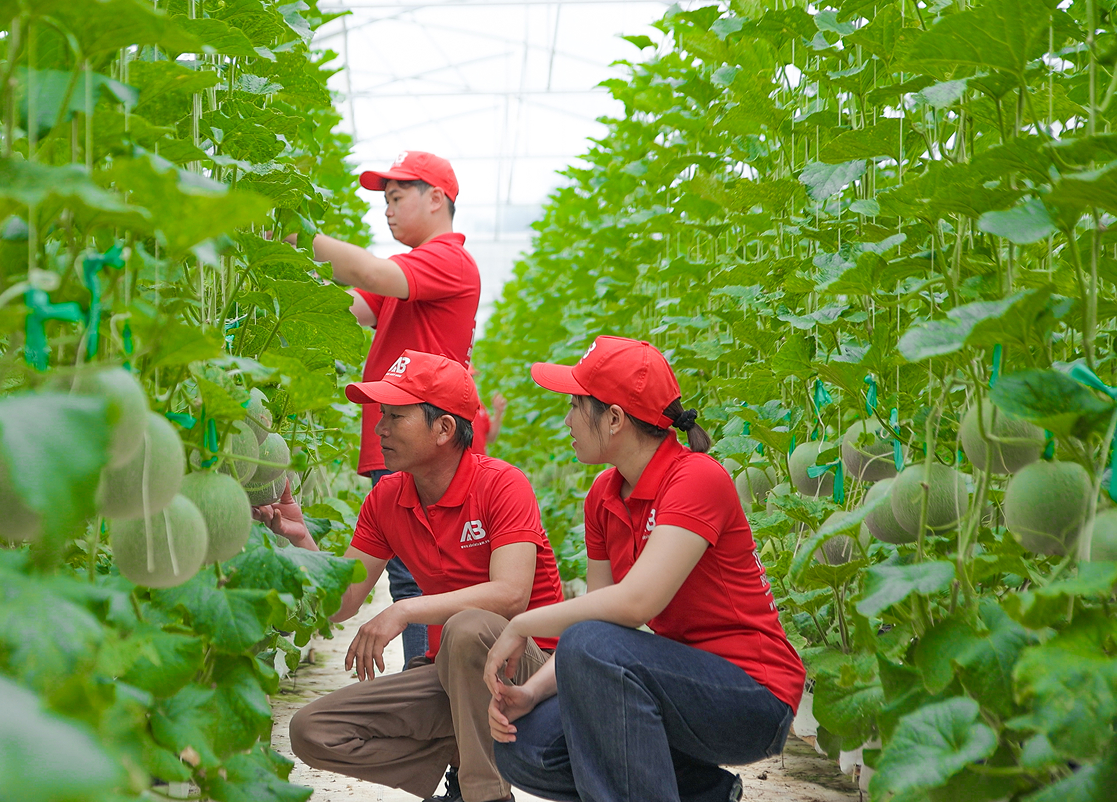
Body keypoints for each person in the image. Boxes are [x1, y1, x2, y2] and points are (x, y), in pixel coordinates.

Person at [481, 336, 805, 802]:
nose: (567, 420)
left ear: (614, 418)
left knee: (589, 643)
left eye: (575, 405)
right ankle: (706, 793)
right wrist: (531, 693)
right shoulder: (603, 496)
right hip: (678, 688)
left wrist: (521, 623)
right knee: (524, 745)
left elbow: (635, 605)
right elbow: (599, 619)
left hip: (752, 694)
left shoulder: (696, 478)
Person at [258, 351, 563, 802]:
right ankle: (462, 749)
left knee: (467, 627)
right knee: (312, 731)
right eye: (381, 415)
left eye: (395, 416)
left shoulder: (502, 484)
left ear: (444, 429)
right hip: (450, 672)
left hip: (533, 673)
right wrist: (301, 540)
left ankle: (483, 794)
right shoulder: (387, 498)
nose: (379, 429)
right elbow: (341, 603)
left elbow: (511, 595)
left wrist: (404, 610)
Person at [310, 151, 481, 669]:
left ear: (436, 198)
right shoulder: (411, 275)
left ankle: (426, 684)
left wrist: (292, 232)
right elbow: (347, 307)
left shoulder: (447, 259)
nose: (386, 209)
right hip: (403, 435)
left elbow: (369, 270)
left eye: (396, 196)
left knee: (420, 573)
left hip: (426, 438)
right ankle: (427, 683)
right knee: (411, 571)